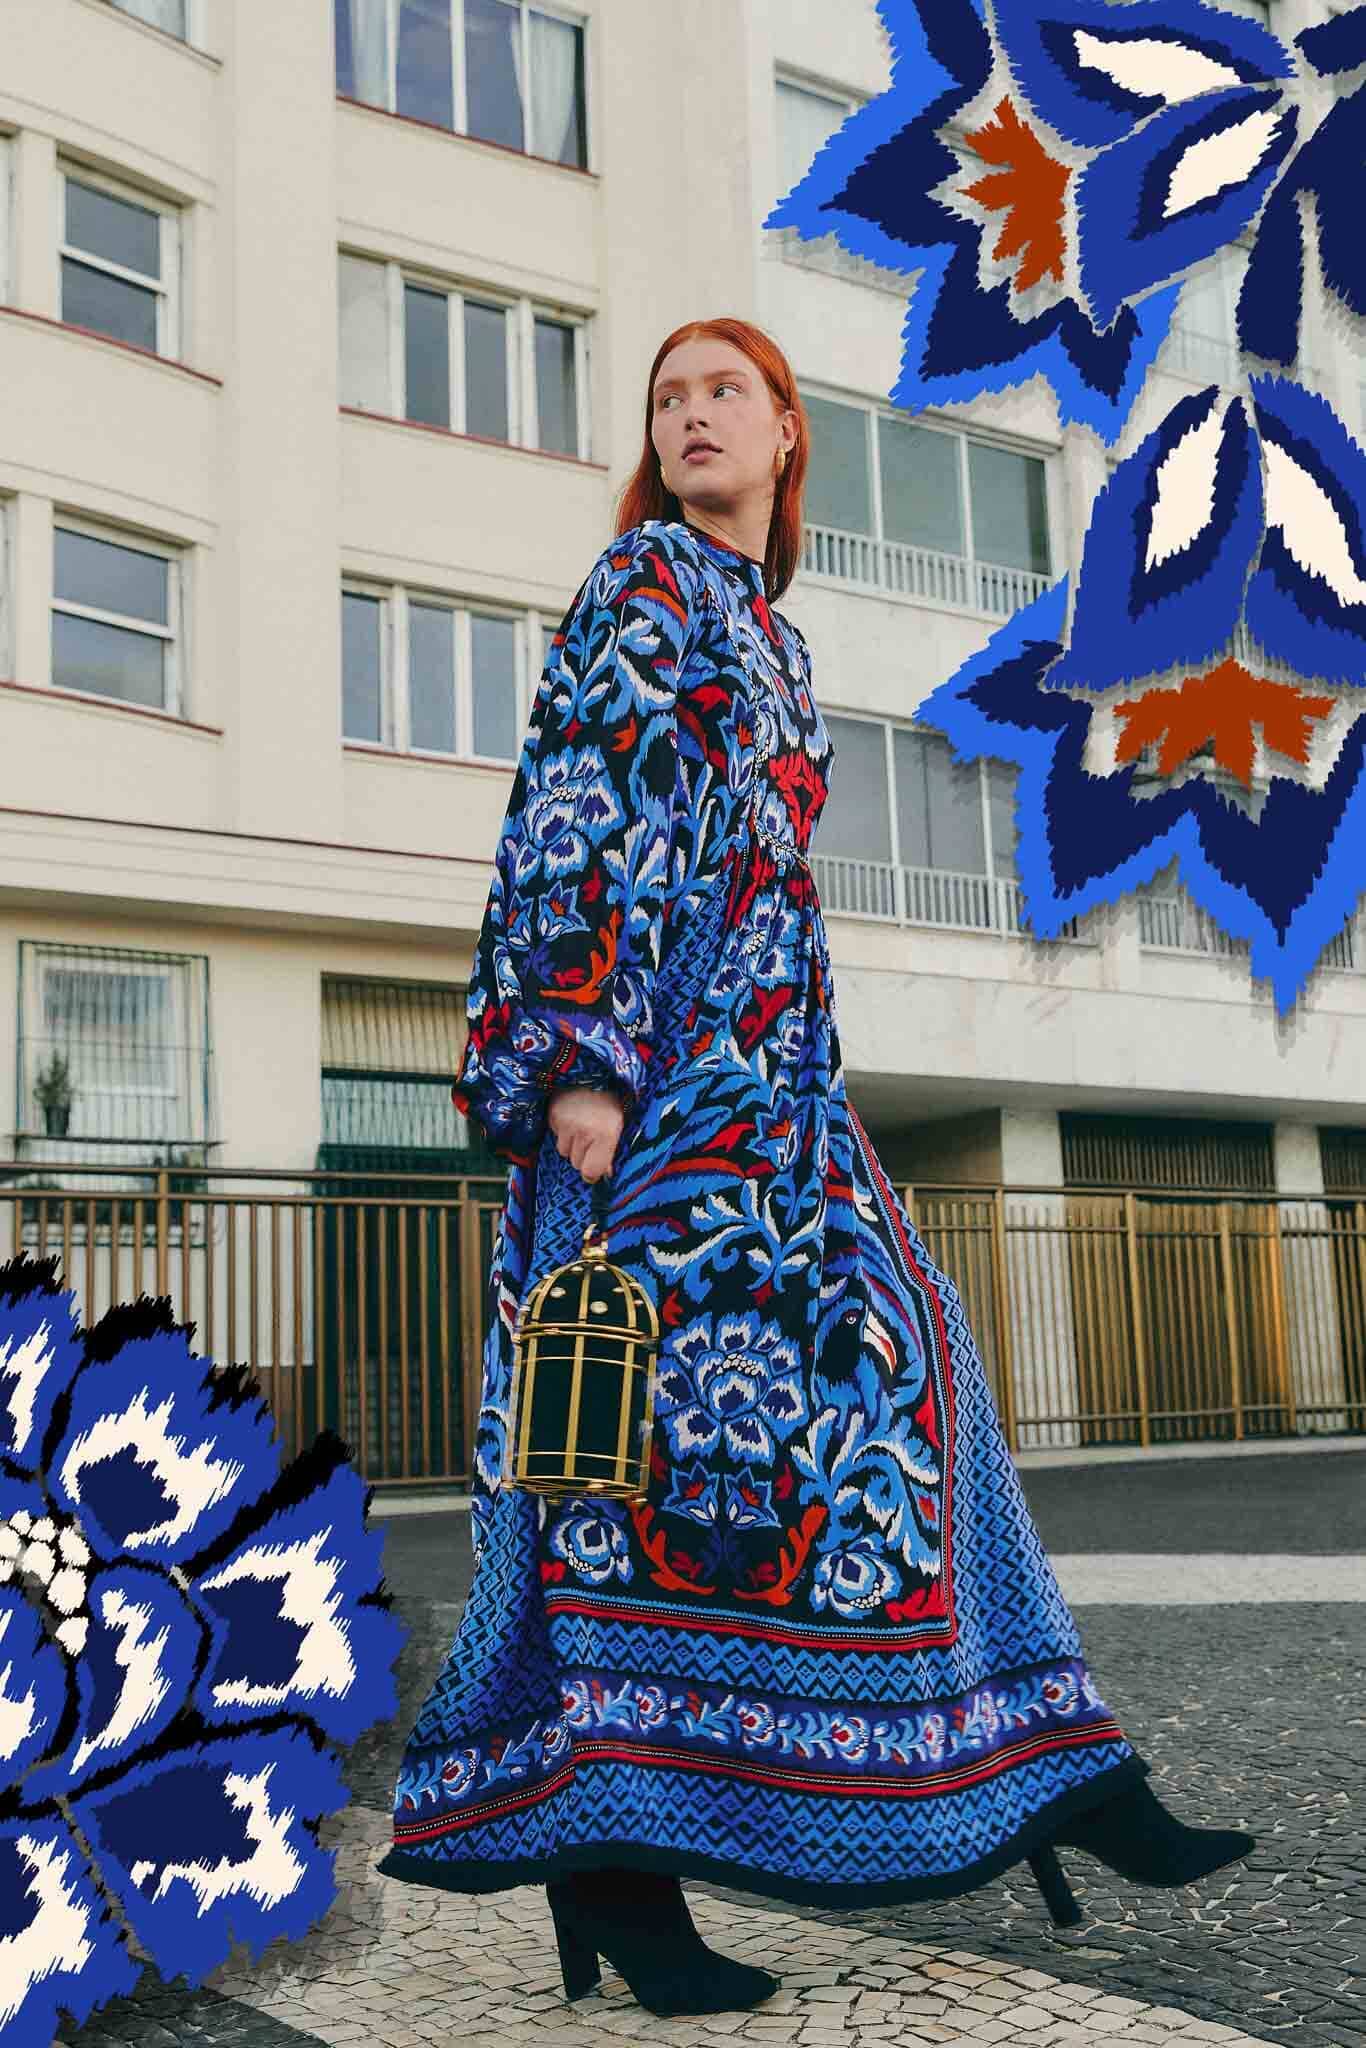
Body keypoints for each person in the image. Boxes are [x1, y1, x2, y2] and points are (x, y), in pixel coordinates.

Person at [376, 317, 1255, 2019]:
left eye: (724, 391)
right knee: (620, 1475)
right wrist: (578, 1059)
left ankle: (1059, 1766)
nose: (690, 415)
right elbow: (575, 809)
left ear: (787, 434)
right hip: (649, 1096)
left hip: (775, 1096)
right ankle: (616, 1869)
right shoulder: (641, 584)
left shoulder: (771, 633)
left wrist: (806, 1080)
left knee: (915, 1382)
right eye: (667, 398)